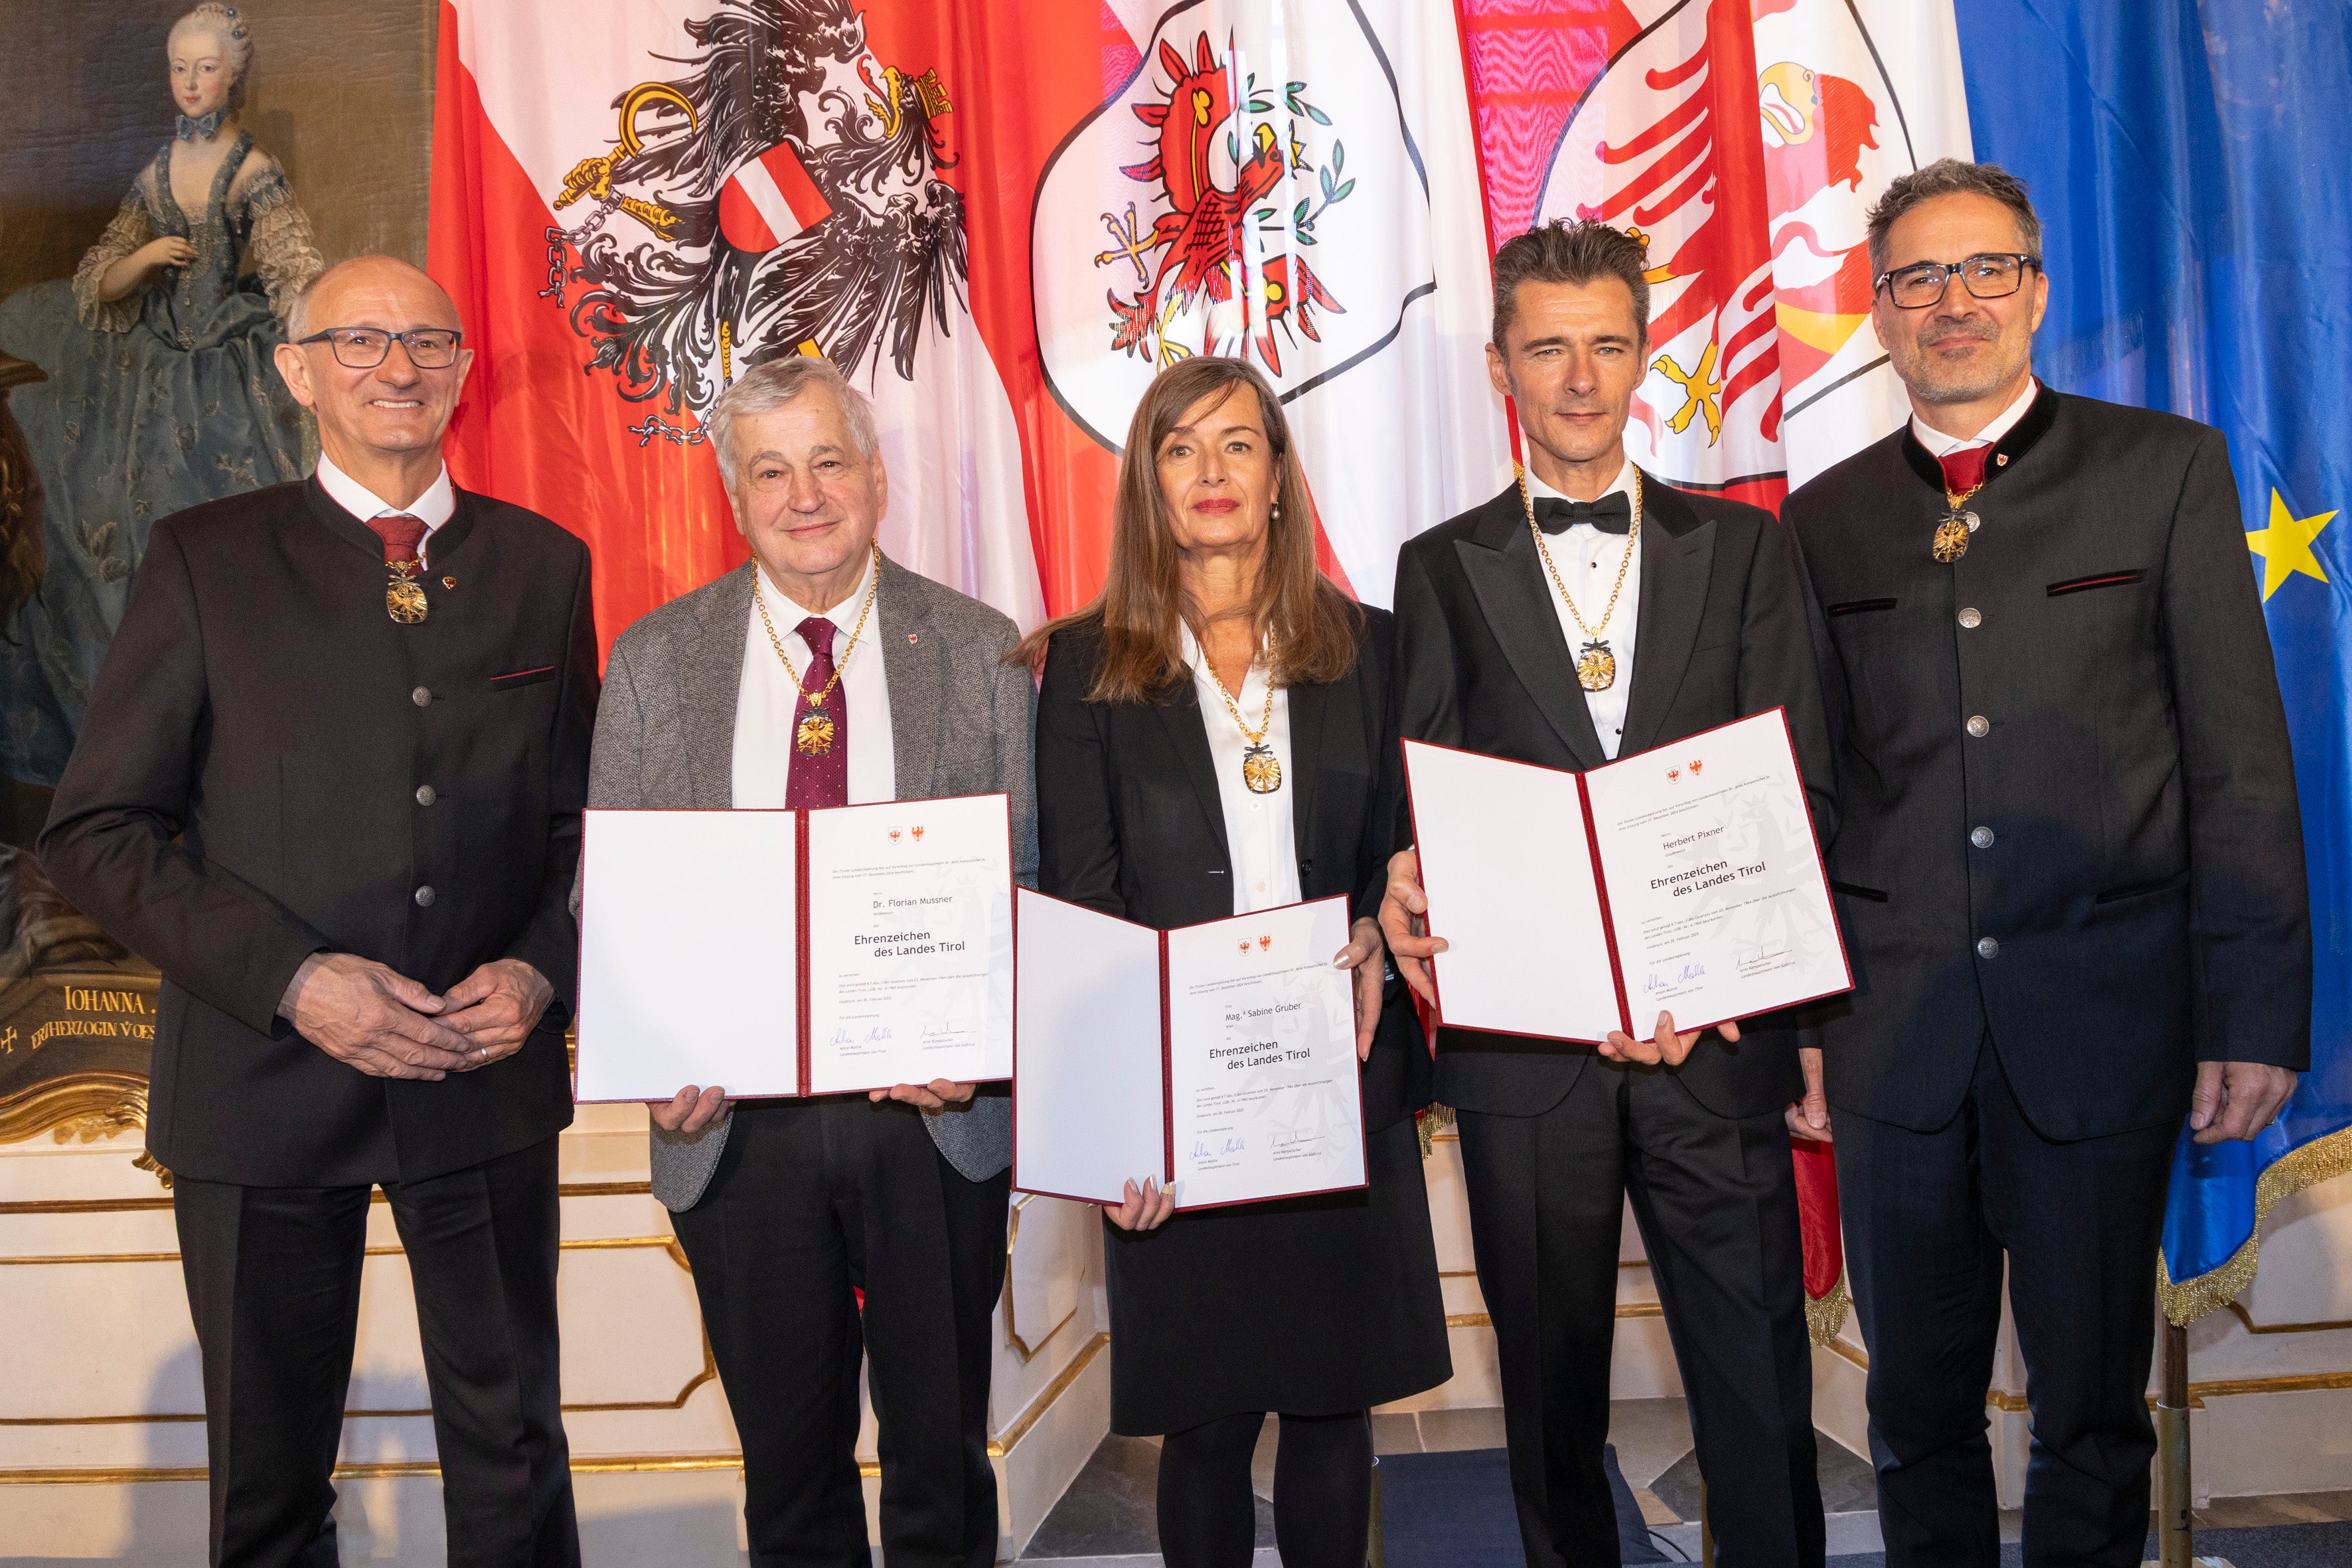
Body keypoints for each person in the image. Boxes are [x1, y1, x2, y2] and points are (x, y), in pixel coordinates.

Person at [1780, 159, 2310, 1567]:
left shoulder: (2164, 472)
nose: (1950, 303)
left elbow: (2237, 765)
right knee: (1915, 1410)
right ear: (1878, 310)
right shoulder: (1822, 519)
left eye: (1982, 271)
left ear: (2035, 290)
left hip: (2102, 1019)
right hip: (1890, 1038)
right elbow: (1809, 793)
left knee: (2089, 1410)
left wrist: (2248, 1012)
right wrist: (1800, 1022)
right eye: (1915, 279)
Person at [37, 254, 595, 1567]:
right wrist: (297, 979)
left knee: (513, 1457)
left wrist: (538, 971)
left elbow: (590, 831)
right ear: (297, 372)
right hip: (263, 1079)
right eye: (357, 341)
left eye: (425, 341)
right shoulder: (204, 560)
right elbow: (96, 829)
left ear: (465, 370)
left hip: (481, 1073)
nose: (396, 367)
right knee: (269, 1482)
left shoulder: (542, 565)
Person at [1379, 220, 1837, 1567]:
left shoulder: (1744, 549)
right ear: (1498, 366)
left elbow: (1792, 786)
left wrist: (1714, 988)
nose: (1578, 378)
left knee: (1757, 1393)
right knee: (1548, 1405)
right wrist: (1401, 880)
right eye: (1545, 348)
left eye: (1604, 343)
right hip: (1531, 1063)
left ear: (1643, 351)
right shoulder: (1436, 564)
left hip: (1717, 1049)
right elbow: (1427, 805)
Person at [586, 354, 1034, 1567]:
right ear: (732, 494)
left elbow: (1028, 882)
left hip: (930, 1122)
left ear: (877, 477)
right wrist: (651, 1052)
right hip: (733, 1129)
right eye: (769, 470)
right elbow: (612, 901)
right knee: (788, 1475)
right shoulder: (652, 660)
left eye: (827, 461)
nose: (804, 495)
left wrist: (980, 1047)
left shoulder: (984, 650)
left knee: (941, 1463)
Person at [1022, 356, 1450, 1568]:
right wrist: (1118, 1124)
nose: (1210, 472)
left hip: (1335, 1086)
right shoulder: (1085, 670)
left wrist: (1376, 915)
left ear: (1277, 479)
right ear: (1147, 485)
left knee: (1330, 1413)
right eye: (1178, 448)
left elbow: (1396, 856)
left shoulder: (1371, 648)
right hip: (1176, 1111)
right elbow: (1085, 909)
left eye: (1237, 445)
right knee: (1201, 1428)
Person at [0, 2, 322, 785]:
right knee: (104, 517)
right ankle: (129, 729)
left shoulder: (250, 170)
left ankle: (223, 734)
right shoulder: (153, 171)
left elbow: (296, 272)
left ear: (233, 76)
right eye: (179, 68)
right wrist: (144, 259)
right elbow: (97, 284)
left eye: (205, 68)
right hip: (143, 368)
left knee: (215, 532)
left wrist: (319, 345)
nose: (190, 82)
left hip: (223, 371)